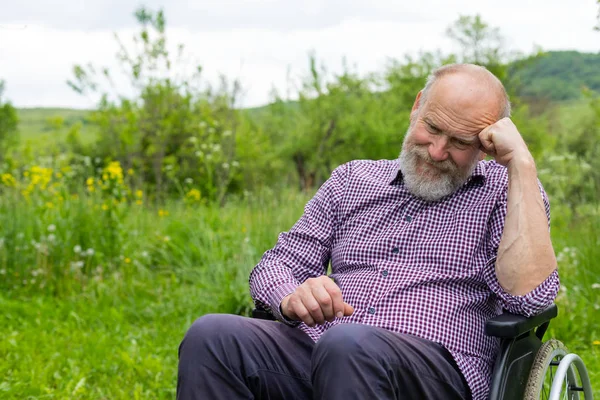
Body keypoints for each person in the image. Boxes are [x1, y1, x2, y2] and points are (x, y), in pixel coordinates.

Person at [176, 63, 559, 400]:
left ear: (486, 144)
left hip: (431, 369)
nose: (438, 151)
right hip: (325, 349)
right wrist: (291, 296)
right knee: (213, 336)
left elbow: (531, 301)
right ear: (416, 107)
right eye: (433, 128)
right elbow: (278, 264)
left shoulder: (506, 193)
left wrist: (521, 166)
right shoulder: (351, 180)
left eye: (460, 142)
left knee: (350, 344)